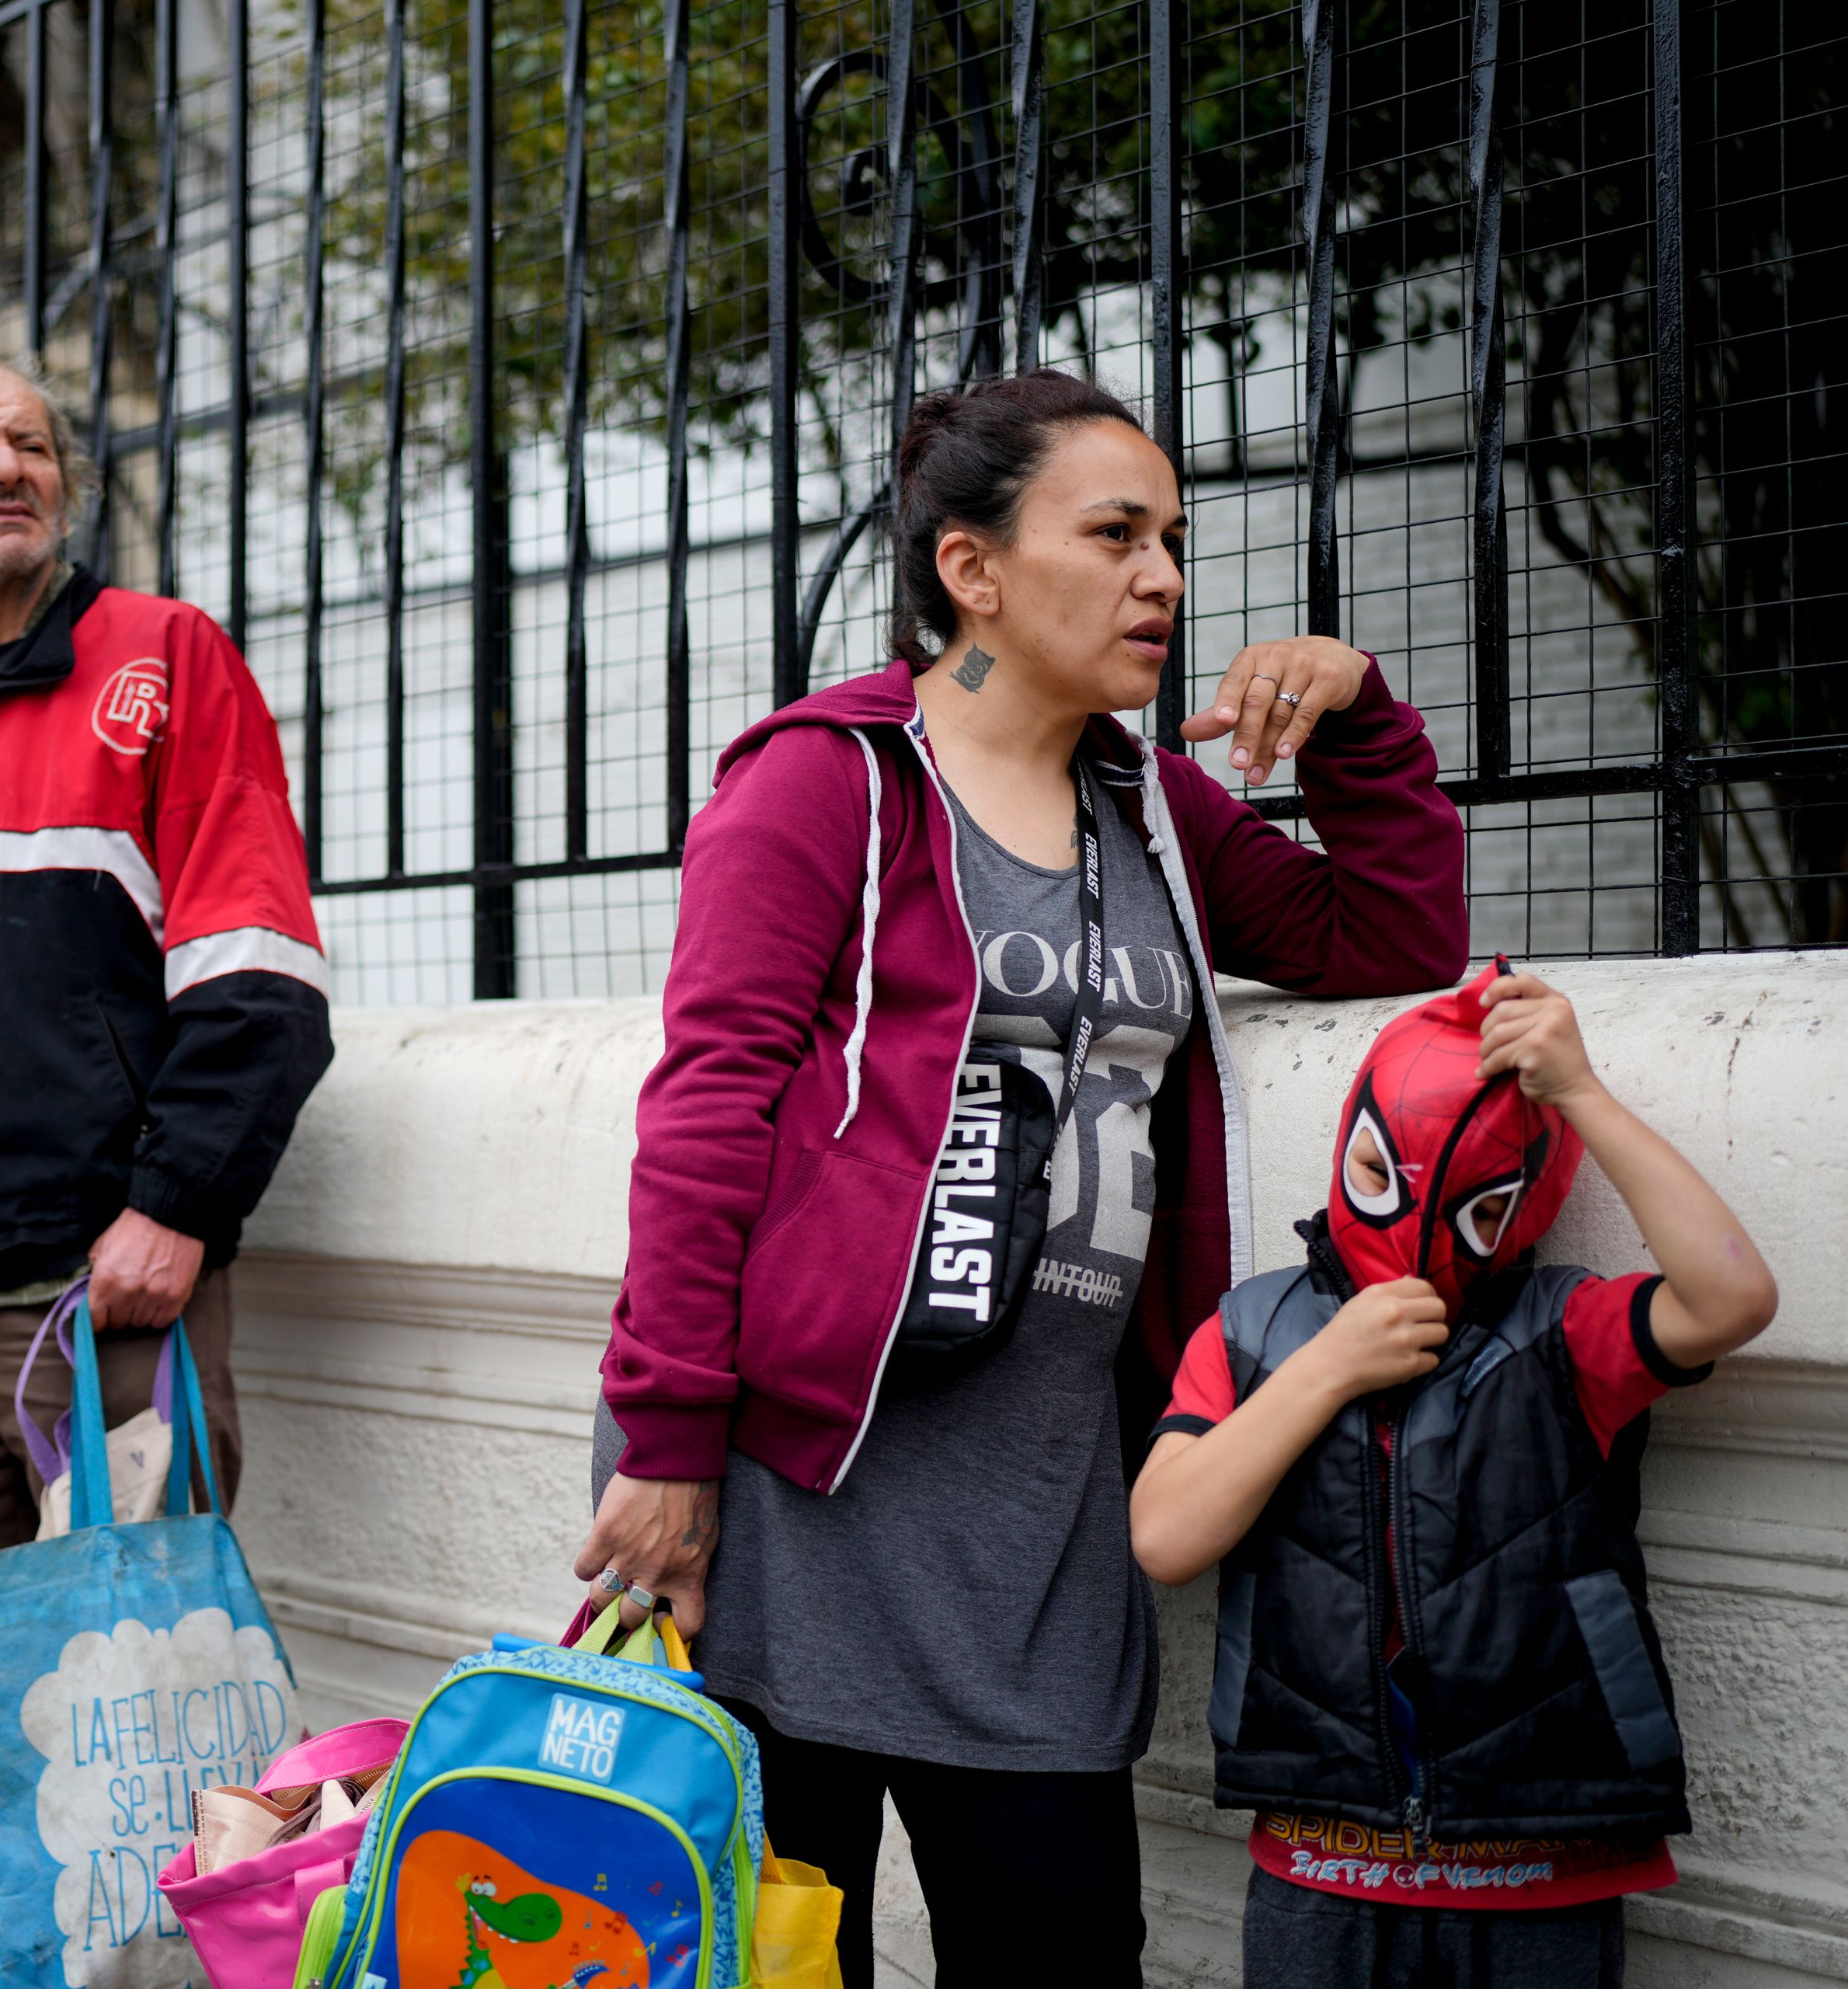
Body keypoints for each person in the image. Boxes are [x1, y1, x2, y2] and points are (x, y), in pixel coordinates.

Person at [575, 370, 1469, 1985]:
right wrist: (661, 1437)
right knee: (775, 1954)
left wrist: (1360, 711)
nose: (1166, 579)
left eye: (1173, 539)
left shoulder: (1151, 803)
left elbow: (1389, 939)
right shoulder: (825, 782)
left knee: (1063, 1947)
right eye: (1116, 533)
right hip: (797, 1498)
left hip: (1050, 1513)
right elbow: (705, 1115)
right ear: (972, 568)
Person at [0, 347, 333, 1989]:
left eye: (31, 440)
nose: (7, 465)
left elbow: (259, 972)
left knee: (145, 1727)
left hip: (98, 1300)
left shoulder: (164, 661)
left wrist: (176, 1205)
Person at [1130, 965, 1777, 1987]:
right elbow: (1166, 1538)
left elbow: (1732, 1294)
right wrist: (1326, 1369)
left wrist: (1581, 1094)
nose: (1410, 1227)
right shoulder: (1250, 1333)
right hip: (1320, 1868)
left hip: (1541, 1870)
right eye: (1379, 1175)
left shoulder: (1566, 1337)